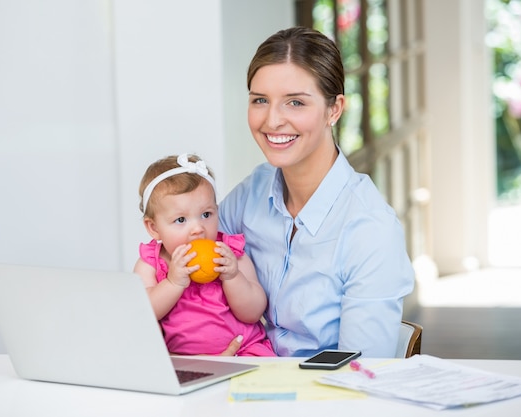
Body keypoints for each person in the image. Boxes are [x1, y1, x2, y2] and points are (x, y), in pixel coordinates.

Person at [218, 27, 415, 357]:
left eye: (295, 102)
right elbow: (185, 260)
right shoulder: (252, 192)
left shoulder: (370, 229)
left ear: (334, 109)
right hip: (244, 387)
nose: (272, 120)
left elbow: (362, 375)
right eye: (260, 100)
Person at [133, 153, 275, 356]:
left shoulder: (230, 254)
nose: (198, 229)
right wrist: (173, 283)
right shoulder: (150, 264)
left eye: (206, 214)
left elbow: (253, 312)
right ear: (154, 227)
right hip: (184, 363)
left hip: (244, 352)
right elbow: (143, 315)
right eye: (181, 220)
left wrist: (233, 277)